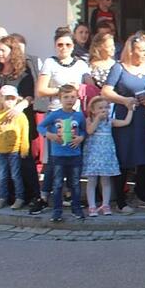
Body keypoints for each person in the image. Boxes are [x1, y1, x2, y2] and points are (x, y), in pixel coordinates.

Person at [102, 33, 145, 215]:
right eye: (141, 50)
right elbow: (106, 91)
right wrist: (124, 100)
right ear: (131, 50)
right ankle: (120, 199)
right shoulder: (119, 68)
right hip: (126, 118)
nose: (144, 54)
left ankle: (142, 192)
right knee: (124, 157)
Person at [36, 30, 90, 209]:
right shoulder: (50, 62)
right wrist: (64, 91)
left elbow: (90, 87)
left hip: (75, 115)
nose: (64, 48)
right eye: (60, 44)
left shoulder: (81, 64)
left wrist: (79, 88)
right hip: (56, 114)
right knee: (54, 159)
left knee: (73, 157)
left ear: (73, 46)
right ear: (55, 45)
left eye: (67, 44)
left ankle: (70, 194)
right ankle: (44, 196)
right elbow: (41, 90)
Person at [0, 36, 38, 210]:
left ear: (12, 52)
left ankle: (30, 195)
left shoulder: (24, 72)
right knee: (1, 164)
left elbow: (30, 95)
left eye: (3, 50)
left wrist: (20, 106)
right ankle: (6, 195)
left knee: (23, 161)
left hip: (18, 123)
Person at [37, 84, 87, 222]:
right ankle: (57, 211)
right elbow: (40, 126)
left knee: (75, 183)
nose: (69, 100)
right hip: (58, 155)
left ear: (77, 98)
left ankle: (76, 208)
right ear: (60, 98)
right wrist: (50, 135)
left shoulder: (79, 115)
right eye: (66, 97)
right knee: (58, 184)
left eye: (72, 97)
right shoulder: (55, 114)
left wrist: (80, 138)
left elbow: (84, 130)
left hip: (74, 155)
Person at [83, 95, 133, 216]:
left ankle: (105, 204)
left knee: (106, 180)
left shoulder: (110, 121)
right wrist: (97, 119)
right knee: (92, 180)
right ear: (93, 110)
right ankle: (92, 206)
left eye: (106, 107)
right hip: (94, 153)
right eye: (100, 108)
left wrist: (130, 109)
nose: (104, 110)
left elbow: (126, 122)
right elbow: (90, 131)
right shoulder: (89, 120)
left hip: (106, 153)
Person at [0, 85, 28, 209]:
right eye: (6, 98)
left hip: (14, 150)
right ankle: (3, 197)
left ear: (17, 99)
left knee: (15, 175)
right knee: (2, 176)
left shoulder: (20, 116)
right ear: (1, 99)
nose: (9, 101)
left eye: (12, 98)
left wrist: (24, 149)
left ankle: (19, 197)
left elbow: (24, 133)